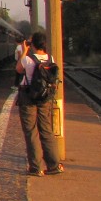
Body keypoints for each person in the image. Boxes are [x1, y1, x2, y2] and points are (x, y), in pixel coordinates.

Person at [15, 31, 61, 176]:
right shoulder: (50, 58)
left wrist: (24, 51)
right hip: (45, 98)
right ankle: (54, 165)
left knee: (31, 132)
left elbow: (18, 69)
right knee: (46, 130)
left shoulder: (28, 60)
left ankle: (36, 167)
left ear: (33, 44)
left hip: (28, 97)